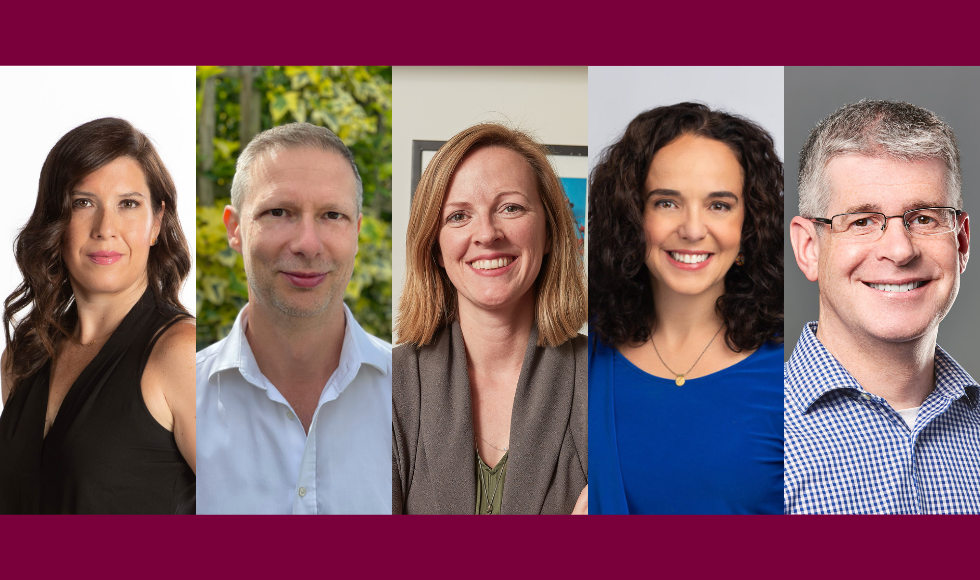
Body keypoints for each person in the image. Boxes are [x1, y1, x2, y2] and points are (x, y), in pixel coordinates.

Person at [589, 103, 784, 514]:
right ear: (632, 215)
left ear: (749, 224)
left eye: (719, 205)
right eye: (666, 202)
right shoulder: (583, 355)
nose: (693, 230)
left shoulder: (795, 371)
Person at [787, 100, 980, 514]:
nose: (899, 250)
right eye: (861, 221)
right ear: (808, 248)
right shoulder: (746, 440)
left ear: (961, 243)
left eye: (925, 218)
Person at [0, 118, 196, 514]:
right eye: (83, 203)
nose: (105, 228)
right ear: (56, 220)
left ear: (156, 222)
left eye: (128, 204)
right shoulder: (24, 356)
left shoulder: (179, 354)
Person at [393, 123, 588, 514]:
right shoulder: (389, 385)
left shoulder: (610, 382)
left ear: (550, 232)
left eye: (510, 207)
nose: (486, 233)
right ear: (434, 246)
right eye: (458, 216)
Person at [196, 122, 391, 514]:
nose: (307, 244)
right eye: (279, 212)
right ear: (235, 229)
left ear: (357, 231)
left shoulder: (417, 399)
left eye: (332, 215)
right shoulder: (183, 401)